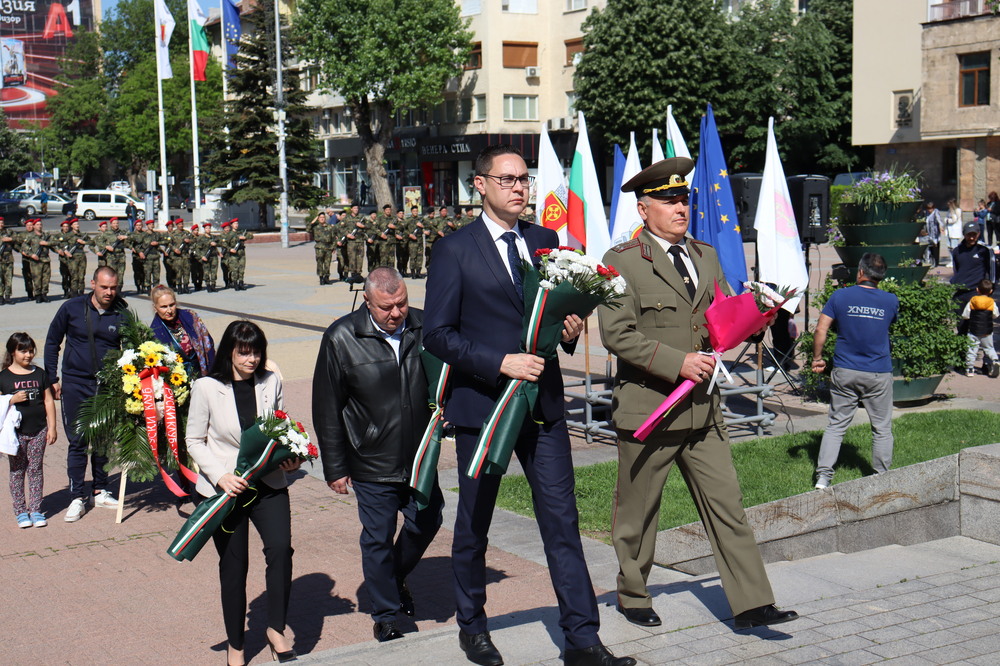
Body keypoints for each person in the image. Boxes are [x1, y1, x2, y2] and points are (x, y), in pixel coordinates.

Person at [424, 144, 634, 666]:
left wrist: (569, 328)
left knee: (562, 522)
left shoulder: (545, 240)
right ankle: (472, 628)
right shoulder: (454, 250)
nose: (520, 189)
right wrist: (500, 361)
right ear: (481, 185)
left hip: (543, 408)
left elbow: (549, 317)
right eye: (509, 180)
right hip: (485, 410)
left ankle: (583, 639)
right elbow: (437, 336)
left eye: (525, 180)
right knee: (474, 524)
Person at [597, 157, 798, 634]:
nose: (680, 207)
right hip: (650, 409)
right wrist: (677, 362)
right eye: (668, 201)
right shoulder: (620, 261)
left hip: (703, 408)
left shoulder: (705, 256)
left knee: (727, 506)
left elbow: (719, 320)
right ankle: (633, 593)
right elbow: (617, 333)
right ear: (644, 210)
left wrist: (757, 317)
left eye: (683, 198)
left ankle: (752, 603)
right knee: (639, 513)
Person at [313, 267, 444, 643]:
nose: (397, 313)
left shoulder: (424, 327)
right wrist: (335, 467)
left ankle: (393, 575)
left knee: (427, 520)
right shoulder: (341, 337)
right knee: (377, 536)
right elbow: (327, 407)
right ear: (367, 301)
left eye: (402, 303)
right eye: (387, 307)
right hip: (371, 458)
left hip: (420, 455)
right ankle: (385, 614)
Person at [185, 320, 299, 666]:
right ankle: (237, 644)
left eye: (257, 352)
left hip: (268, 484)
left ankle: (276, 629)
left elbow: (281, 426)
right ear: (230, 352)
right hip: (226, 491)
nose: (252, 360)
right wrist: (219, 476)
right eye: (244, 352)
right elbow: (194, 440)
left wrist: (290, 456)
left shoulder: (271, 381)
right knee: (235, 567)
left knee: (281, 551)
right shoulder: (206, 388)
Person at [44, 266, 126, 522]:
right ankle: (77, 497)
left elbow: (133, 349)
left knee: (102, 441)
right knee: (78, 442)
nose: (109, 292)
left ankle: (99, 490)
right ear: (93, 284)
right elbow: (51, 341)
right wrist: (51, 379)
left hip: (107, 386)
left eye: (113, 288)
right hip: (75, 384)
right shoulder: (71, 308)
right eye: (104, 287)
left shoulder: (121, 312)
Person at [811, 253, 899, 488]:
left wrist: (817, 358)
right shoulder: (890, 301)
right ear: (881, 276)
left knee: (836, 425)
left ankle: (823, 478)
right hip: (878, 372)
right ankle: (880, 478)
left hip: (845, 370)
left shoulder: (840, 296)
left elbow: (821, 329)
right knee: (881, 428)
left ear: (860, 272)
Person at [1, 333, 56, 529]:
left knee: (35, 470)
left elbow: (48, 400)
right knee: (17, 471)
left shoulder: (39, 374)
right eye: (23, 351)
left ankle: (35, 510)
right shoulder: (4, 377)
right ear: (12, 352)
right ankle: (20, 511)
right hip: (15, 434)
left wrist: (52, 427)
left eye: (31, 350)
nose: (28, 355)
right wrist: (10, 399)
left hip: (39, 430)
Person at [150, 285, 216, 378]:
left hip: (201, 374)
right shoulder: (154, 332)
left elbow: (208, 344)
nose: (169, 310)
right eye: (163, 307)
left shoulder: (191, 317)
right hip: (177, 380)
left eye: (172, 305)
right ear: (155, 307)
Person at [951, 221, 997, 315]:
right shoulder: (957, 250)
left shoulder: (985, 250)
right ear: (964, 234)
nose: (971, 238)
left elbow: (992, 271)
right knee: (960, 325)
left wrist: (989, 289)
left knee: (977, 325)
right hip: (960, 292)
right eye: (969, 235)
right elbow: (956, 270)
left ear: (979, 234)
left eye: (974, 235)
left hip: (977, 292)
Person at [961, 278, 1000, 378]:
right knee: (989, 348)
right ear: (991, 291)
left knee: (972, 349)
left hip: (974, 330)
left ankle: (970, 369)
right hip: (987, 331)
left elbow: (966, 315)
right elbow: (996, 315)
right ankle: (995, 360)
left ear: (977, 290)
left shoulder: (972, 301)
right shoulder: (991, 302)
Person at [308, 211, 334, 284]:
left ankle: (326, 277)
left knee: (327, 263)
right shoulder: (316, 227)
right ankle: (321, 278)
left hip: (328, 247)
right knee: (320, 263)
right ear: (318, 218)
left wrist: (333, 247)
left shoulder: (329, 227)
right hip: (319, 247)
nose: (322, 219)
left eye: (323, 217)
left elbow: (333, 238)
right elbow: (308, 228)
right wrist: (314, 220)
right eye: (320, 217)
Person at [944, 199, 964, 265]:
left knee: (954, 247)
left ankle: (955, 261)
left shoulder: (957, 210)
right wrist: (947, 220)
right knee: (949, 246)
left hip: (955, 231)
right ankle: (951, 260)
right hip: (949, 230)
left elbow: (954, 219)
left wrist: (948, 220)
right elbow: (945, 219)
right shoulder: (949, 211)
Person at [0, 217, 15, 304]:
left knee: (8, 279)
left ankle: (8, 297)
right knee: (0, 280)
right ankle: (0, 297)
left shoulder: (9, 232)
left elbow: (18, 238)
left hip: (8, 260)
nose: (1, 224)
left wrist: (11, 239)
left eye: (2, 222)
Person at [922, 200, 941, 268]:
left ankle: (935, 263)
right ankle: (929, 261)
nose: (929, 210)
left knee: (935, 248)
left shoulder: (936, 212)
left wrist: (941, 227)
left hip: (935, 233)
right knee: (929, 248)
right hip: (928, 233)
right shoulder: (926, 213)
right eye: (928, 208)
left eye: (930, 208)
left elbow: (939, 221)